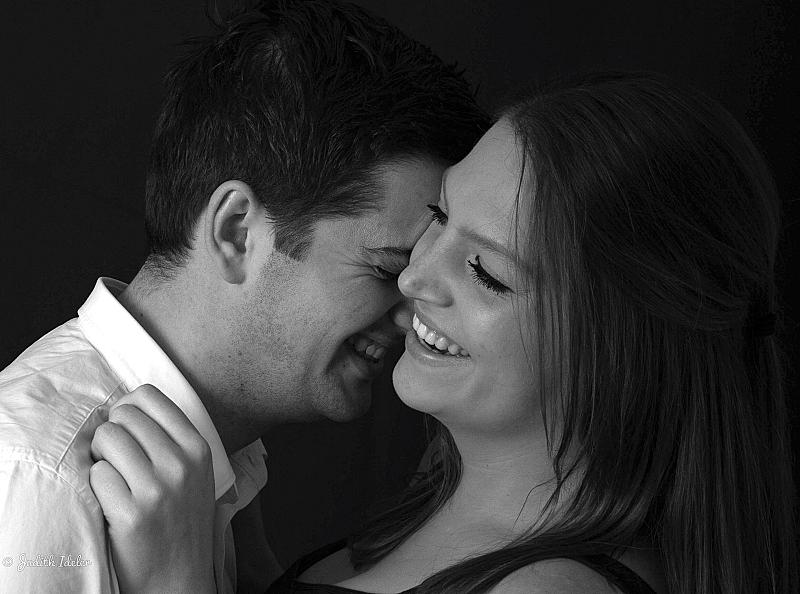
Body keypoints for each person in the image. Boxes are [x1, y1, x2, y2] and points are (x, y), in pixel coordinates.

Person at [93, 71, 797, 593]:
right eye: (439, 218)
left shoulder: (552, 588)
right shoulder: (434, 519)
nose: (413, 276)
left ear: (617, 346)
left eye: (487, 272)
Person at [0, 1, 489, 592]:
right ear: (237, 232)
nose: (414, 314)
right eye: (388, 267)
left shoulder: (222, 464)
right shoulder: (40, 483)